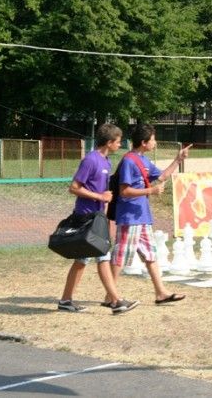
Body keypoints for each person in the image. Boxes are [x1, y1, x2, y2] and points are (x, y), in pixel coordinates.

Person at [58, 123, 138, 315]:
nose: (120, 144)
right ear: (109, 142)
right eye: (118, 141)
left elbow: (105, 194)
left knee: (83, 260)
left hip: (97, 218)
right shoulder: (91, 160)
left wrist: (104, 215)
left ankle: (66, 300)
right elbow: (74, 188)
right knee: (102, 257)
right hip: (86, 217)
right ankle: (116, 301)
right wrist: (99, 197)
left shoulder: (106, 162)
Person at [110, 124, 192, 304]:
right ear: (143, 142)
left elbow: (161, 177)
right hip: (130, 217)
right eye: (153, 139)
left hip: (142, 217)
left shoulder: (143, 160)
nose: (155, 143)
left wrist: (178, 159)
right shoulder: (129, 161)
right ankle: (110, 295)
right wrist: (151, 191)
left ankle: (160, 293)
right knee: (121, 255)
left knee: (150, 254)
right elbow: (124, 191)